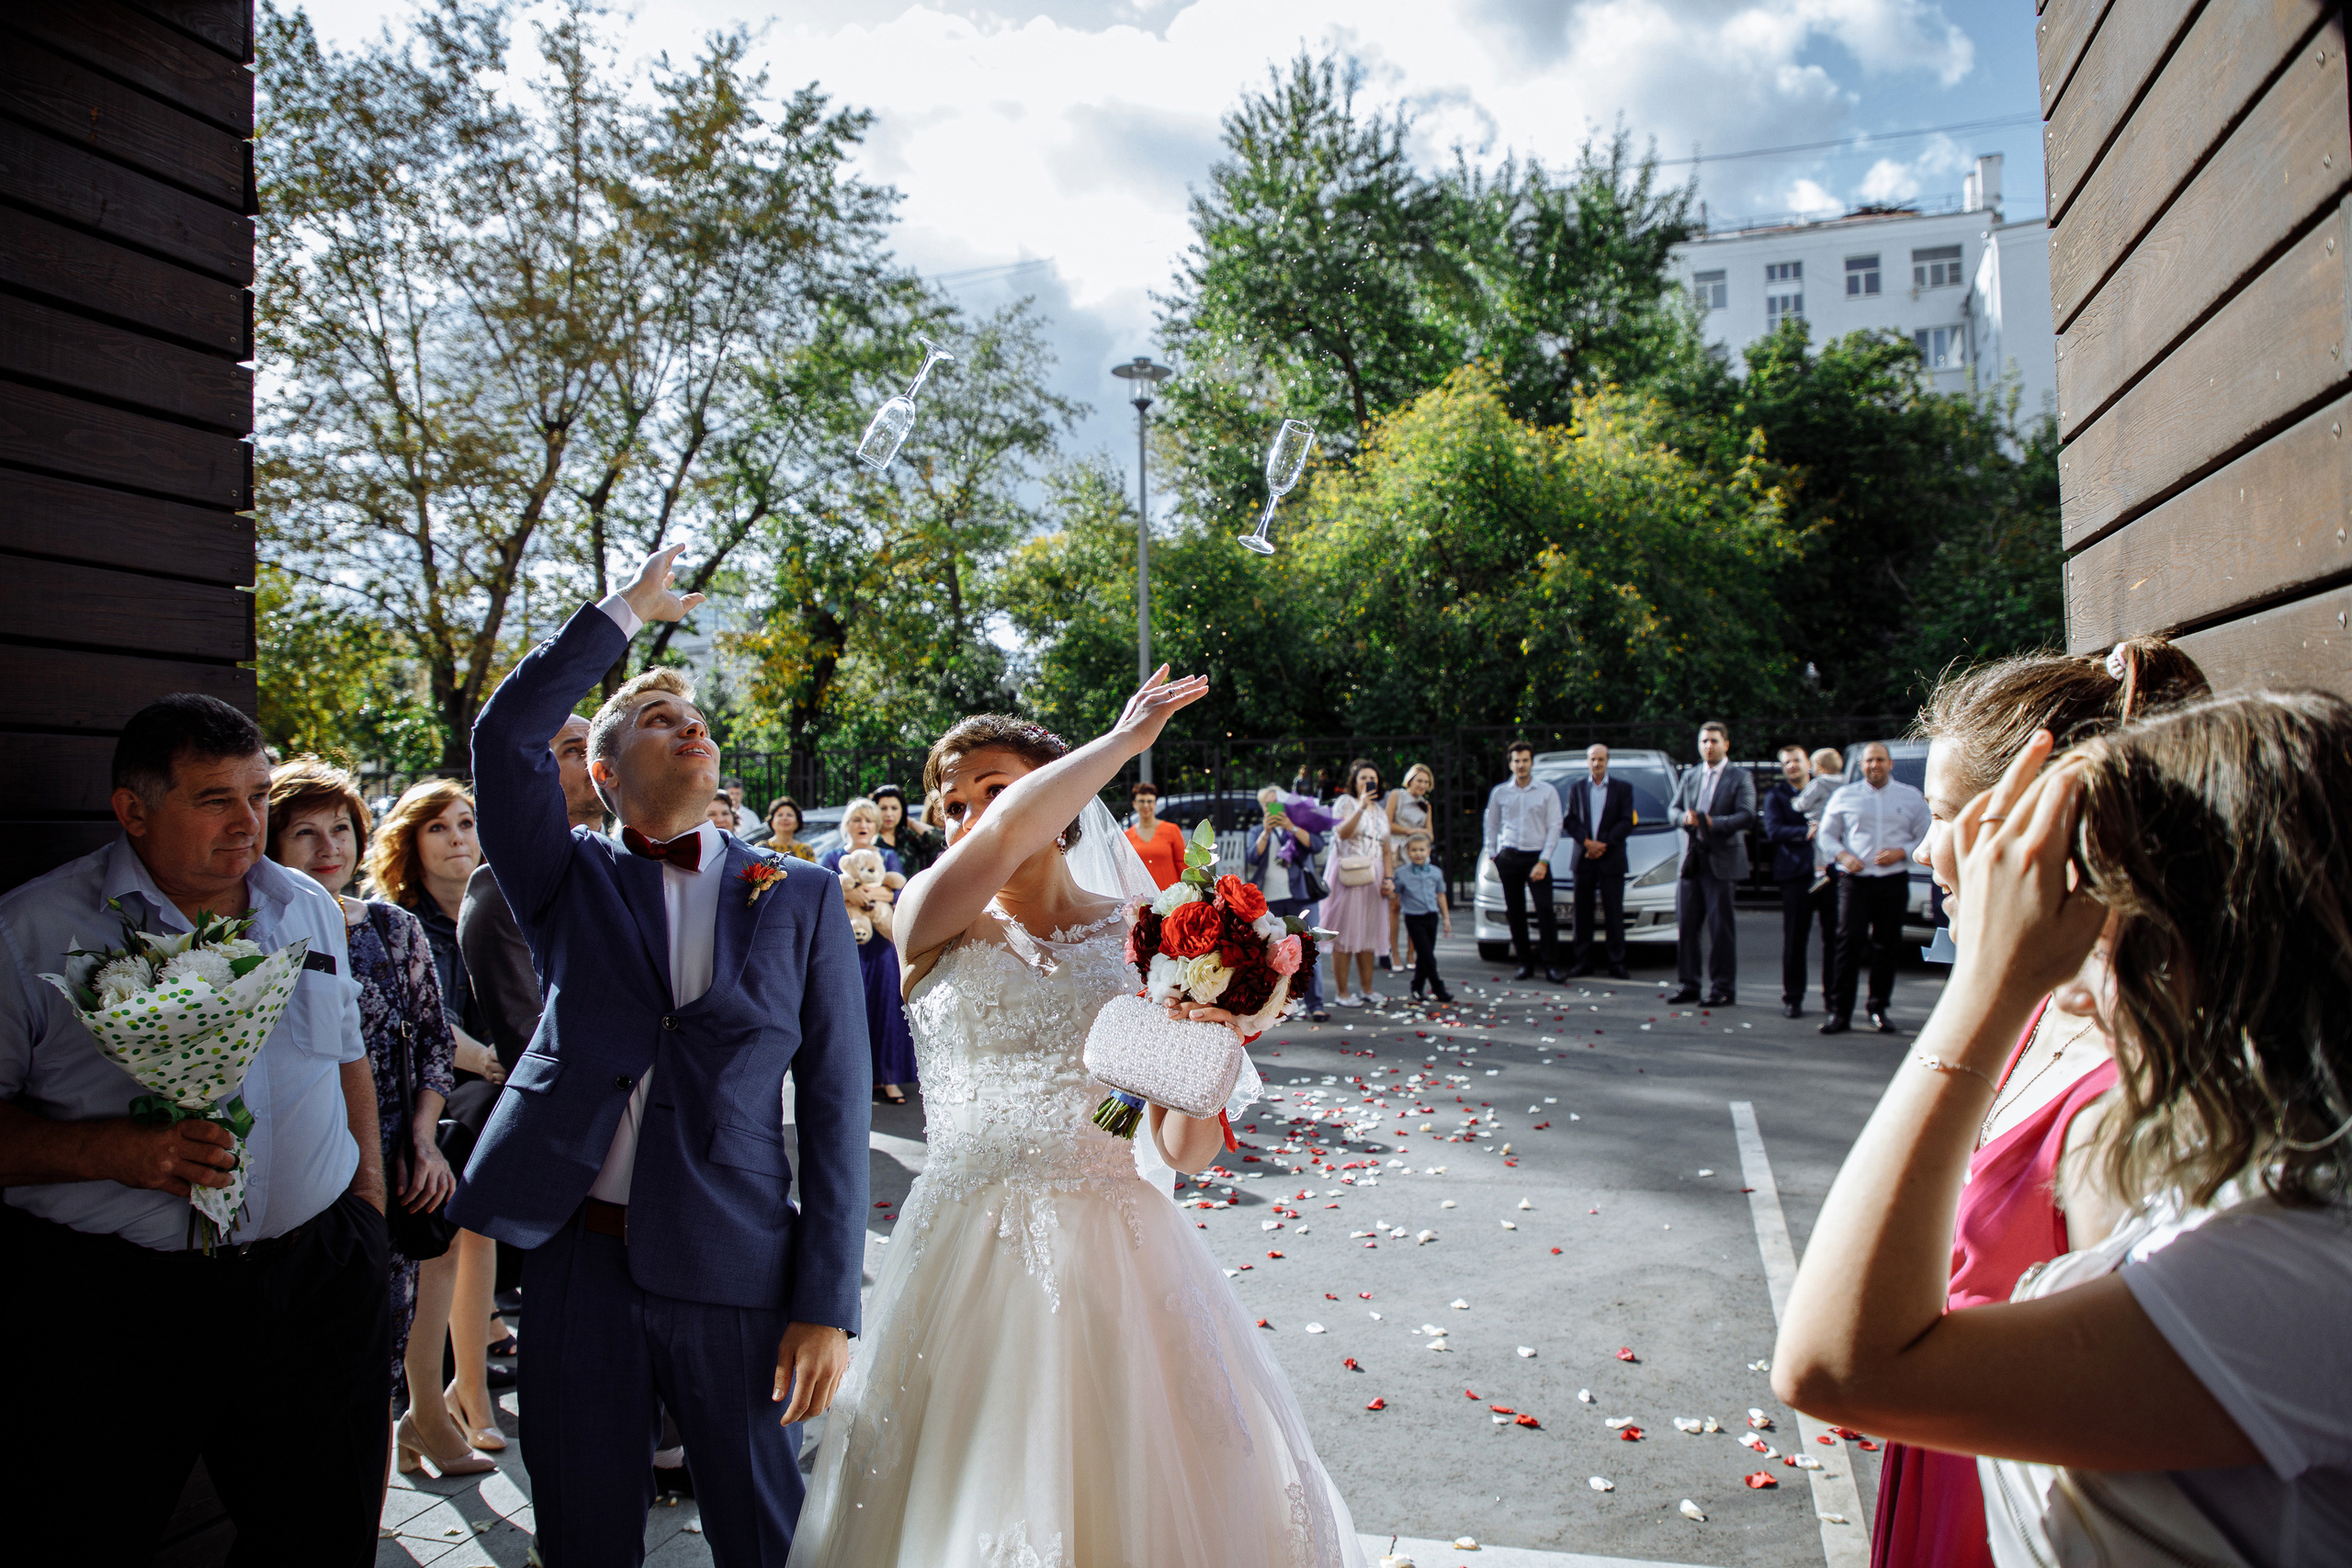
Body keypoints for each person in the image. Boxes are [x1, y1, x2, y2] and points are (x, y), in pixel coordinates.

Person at [789, 669, 1364, 1566]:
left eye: (998, 789)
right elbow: (1010, 832)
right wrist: (1124, 741)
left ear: (1067, 804)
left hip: (1121, 1254)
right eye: (952, 805)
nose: (974, 814)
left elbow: (1183, 1147)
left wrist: (1214, 1038)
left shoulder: (1148, 935)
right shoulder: (928, 921)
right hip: (964, 1252)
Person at [1777, 691, 2352, 1568]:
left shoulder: (2302, 1270)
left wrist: (1986, 989)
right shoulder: (2280, 1208)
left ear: (2210, 939)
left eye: (2106, 907)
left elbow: (1834, 1366)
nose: (2076, 963)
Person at [447, 546, 870, 1565]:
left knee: (760, 1529)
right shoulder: (561, 875)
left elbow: (836, 1106)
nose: (690, 727)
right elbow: (502, 734)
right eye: (654, 720)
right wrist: (622, 614)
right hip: (572, 1258)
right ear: (600, 770)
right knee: (584, 1533)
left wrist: (826, 1304)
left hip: (736, 1260)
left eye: (698, 720)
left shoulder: (801, 893)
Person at [0, 694, 392, 1564]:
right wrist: (113, 1153)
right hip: (118, 1306)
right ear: (133, 809)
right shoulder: (30, 930)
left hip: (317, 1281)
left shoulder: (307, 906)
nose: (249, 822)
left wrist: (367, 1202)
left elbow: (347, 1054)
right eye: (215, 799)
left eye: (257, 794)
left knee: (322, 1541)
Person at [1868, 637, 2207, 1568]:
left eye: (1945, 815)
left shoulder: (2131, 1082)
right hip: (1943, 1439)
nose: (1930, 848)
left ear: (2038, 817)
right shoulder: (2032, 1007)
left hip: (2031, 1495)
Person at [267, 758, 481, 1481]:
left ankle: (384, 1465)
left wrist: (423, 1136)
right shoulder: (257, 932)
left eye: (341, 829)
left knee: (382, 1337)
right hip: (298, 1169)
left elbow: (430, 1040)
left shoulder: (393, 931)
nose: (329, 846)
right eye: (305, 832)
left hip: (390, 1161)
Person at [367, 780, 514, 1452]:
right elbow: (426, 1025)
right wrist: (488, 1059)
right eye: (438, 828)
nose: (458, 837)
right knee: (449, 1235)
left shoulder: (496, 903)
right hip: (425, 1095)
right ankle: (432, 1399)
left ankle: (469, 1388)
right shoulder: (393, 919)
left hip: (489, 1093)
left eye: (466, 822)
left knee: (479, 1230)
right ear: (409, 842)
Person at [1817, 742, 1931, 1034]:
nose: (1874, 765)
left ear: (1890, 764)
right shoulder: (1845, 796)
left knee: (1886, 945)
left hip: (1892, 880)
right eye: (1869, 761)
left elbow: (1927, 834)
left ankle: (1878, 1009)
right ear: (1861, 765)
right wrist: (1842, 856)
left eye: (1880, 760)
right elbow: (1827, 835)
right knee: (1848, 942)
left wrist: (1902, 852)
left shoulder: (1910, 797)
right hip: (1854, 881)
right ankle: (1840, 1013)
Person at [823, 800, 916, 1108]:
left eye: (870, 821)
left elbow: (901, 893)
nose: (863, 825)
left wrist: (864, 893)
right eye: (857, 819)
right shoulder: (833, 857)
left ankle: (888, 1078)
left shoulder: (888, 856)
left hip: (883, 948)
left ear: (877, 827)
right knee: (847, 1014)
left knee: (886, 1009)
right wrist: (849, 892)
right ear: (846, 824)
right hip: (844, 946)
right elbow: (823, 892)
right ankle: (850, 1082)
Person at [1668, 721, 1755, 1006]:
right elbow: (1673, 809)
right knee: (1687, 927)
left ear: (1725, 744)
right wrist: (1684, 819)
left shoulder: (1739, 777)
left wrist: (1712, 823)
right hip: (1692, 861)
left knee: (1720, 930)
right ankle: (1689, 984)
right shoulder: (1690, 776)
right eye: (1704, 741)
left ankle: (1723, 988)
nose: (1708, 746)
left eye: (1714, 741)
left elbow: (1747, 815)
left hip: (1722, 860)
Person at [1483, 740, 1564, 983]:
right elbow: (1491, 824)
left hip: (1536, 857)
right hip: (1509, 857)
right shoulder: (1500, 792)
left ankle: (1551, 965)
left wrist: (1544, 861)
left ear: (1532, 762)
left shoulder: (1546, 791)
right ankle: (1524, 963)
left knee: (1545, 910)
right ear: (1510, 763)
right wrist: (1493, 854)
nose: (1521, 765)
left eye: (1525, 760)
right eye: (1516, 761)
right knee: (1515, 912)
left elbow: (1555, 826)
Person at [1249, 784, 1330, 1022]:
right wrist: (1266, 832)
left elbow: (1316, 845)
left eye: (1278, 803)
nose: (1274, 808)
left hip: (1300, 896)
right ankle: (1280, 1006)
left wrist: (1291, 827)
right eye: (1269, 804)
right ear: (1263, 807)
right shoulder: (1257, 830)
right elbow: (1252, 856)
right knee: (1273, 953)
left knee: (1308, 949)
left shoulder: (1298, 826)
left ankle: (1315, 1004)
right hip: (1269, 900)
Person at [1762, 744, 1825, 1019]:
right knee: (1795, 940)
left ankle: (1835, 1000)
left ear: (1808, 762)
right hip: (1795, 876)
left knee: (1835, 939)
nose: (1791, 766)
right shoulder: (1777, 796)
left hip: (1828, 874)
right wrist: (1807, 832)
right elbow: (1775, 831)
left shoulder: (1826, 790)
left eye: (1796, 761)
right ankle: (1793, 998)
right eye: (1786, 763)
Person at [1561, 742, 1633, 979]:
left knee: (1614, 912)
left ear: (1607, 761)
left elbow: (1626, 820)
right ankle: (1582, 962)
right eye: (1593, 759)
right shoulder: (1577, 788)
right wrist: (1587, 843)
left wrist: (1603, 844)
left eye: (1601, 759)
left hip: (1611, 857)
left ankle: (1617, 963)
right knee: (1581, 913)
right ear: (1587, 761)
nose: (1597, 763)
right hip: (1583, 858)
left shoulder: (1623, 789)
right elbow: (1569, 820)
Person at [1325, 759, 1392, 1008]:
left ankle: (1367, 989)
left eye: (1371, 778)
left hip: (1373, 877)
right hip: (1349, 876)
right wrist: (1361, 807)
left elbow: (1386, 849)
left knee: (1368, 934)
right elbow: (1342, 833)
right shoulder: (1346, 803)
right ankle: (1342, 992)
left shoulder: (1382, 811)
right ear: (1354, 782)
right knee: (1344, 936)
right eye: (1362, 778)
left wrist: (1389, 878)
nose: (1367, 782)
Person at [1385, 762, 1435, 971]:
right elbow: (1387, 824)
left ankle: (1411, 953)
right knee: (1394, 906)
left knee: (1416, 908)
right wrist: (1412, 830)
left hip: (1416, 855)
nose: (1422, 785)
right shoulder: (1397, 795)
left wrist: (1422, 837)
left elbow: (1430, 834)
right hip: (1397, 855)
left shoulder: (1426, 805)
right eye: (1419, 780)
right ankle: (1394, 953)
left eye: (1426, 782)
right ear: (1410, 780)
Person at [1394, 831, 1453, 1004]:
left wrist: (1446, 918)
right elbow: (1394, 895)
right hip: (1414, 918)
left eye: (1421, 850)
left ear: (1428, 851)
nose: (1418, 853)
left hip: (1432, 917)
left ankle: (1417, 987)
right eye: (1414, 850)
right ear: (1407, 852)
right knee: (1426, 954)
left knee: (1425, 955)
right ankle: (1438, 987)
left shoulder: (1435, 872)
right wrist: (1388, 890)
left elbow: (1441, 895)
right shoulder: (1402, 873)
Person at [1124, 779, 1187, 889]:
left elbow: (1183, 865)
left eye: (1150, 801)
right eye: (1141, 801)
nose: (1146, 805)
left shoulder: (1172, 830)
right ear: (1134, 804)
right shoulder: (1126, 836)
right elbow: (1124, 872)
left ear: (1155, 803)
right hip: (1140, 899)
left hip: (1169, 898)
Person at [872, 784, 939, 880]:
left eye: (894, 808)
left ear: (902, 811)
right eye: (883, 808)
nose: (889, 814)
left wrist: (911, 822)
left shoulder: (909, 837)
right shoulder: (870, 842)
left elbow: (939, 839)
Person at [753, 795, 818, 862]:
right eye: (780, 815)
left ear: (797, 822)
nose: (784, 818)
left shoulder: (806, 850)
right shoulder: (761, 848)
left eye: (789, 815)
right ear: (772, 822)